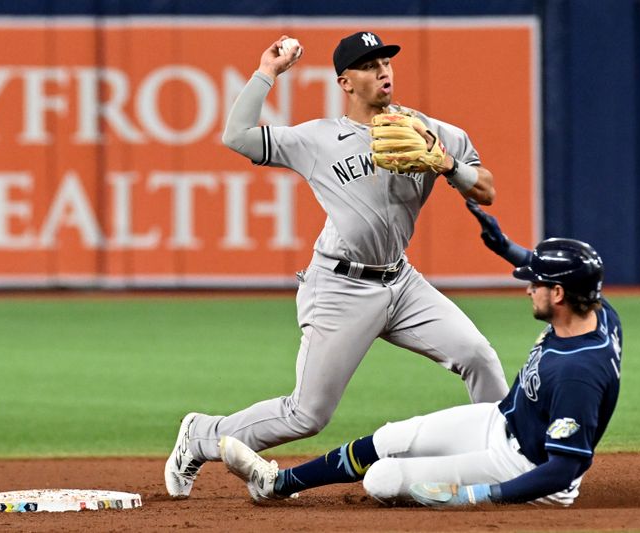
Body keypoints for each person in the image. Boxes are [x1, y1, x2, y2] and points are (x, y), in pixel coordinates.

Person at [164, 32, 510, 498]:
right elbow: (237, 137)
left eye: (386, 61)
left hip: (402, 283)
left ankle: (510, 453)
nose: (383, 71)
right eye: (369, 65)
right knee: (307, 414)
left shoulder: (430, 131)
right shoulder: (319, 139)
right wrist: (268, 72)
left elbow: (485, 189)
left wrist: (448, 164)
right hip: (339, 286)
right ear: (345, 82)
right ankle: (201, 434)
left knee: (478, 356)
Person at [217, 203, 623, 507]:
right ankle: (275, 484)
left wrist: (480, 494)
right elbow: (572, 279)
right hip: (501, 422)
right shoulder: (598, 314)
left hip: (527, 469)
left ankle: (442, 488)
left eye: (535, 282)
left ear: (558, 295)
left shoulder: (578, 372)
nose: (527, 287)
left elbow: (563, 470)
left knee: (382, 479)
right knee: (393, 435)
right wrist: (509, 250)